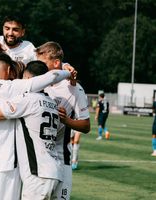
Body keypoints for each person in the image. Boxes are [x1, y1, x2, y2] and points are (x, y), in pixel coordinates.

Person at [0, 52, 71, 200]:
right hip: (52, 169)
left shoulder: (25, 99)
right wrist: (67, 71)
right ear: (9, 70)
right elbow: (52, 76)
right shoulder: (50, 102)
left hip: (32, 172)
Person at [35, 41, 90, 200]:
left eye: (43, 63)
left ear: (55, 62)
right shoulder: (37, 83)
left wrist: (67, 120)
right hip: (37, 157)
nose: (39, 67)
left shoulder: (74, 88)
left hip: (61, 157)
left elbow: (86, 126)